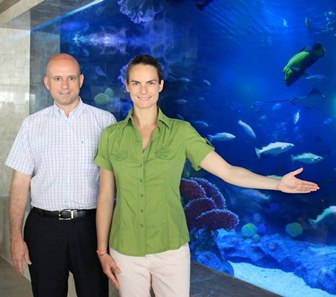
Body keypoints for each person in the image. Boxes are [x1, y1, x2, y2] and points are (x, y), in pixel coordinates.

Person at [94, 54, 320, 297]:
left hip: (170, 249)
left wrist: (277, 184)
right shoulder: (111, 135)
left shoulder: (181, 133)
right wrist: (102, 251)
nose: (143, 90)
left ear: (160, 86)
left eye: (150, 82)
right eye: (136, 83)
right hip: (125, 249)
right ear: (127, 86)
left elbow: (229, 172)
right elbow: (106, 196)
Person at [5, 53, 116, 297]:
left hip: (92, 228)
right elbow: (20, 185)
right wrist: (15, 236)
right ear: (47, 82)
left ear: (81, 80)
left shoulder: (105, 122)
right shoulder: (32, 124)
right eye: (57, 78)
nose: (64, 85)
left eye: (71, 78)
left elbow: (116, 184)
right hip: (43, 230)